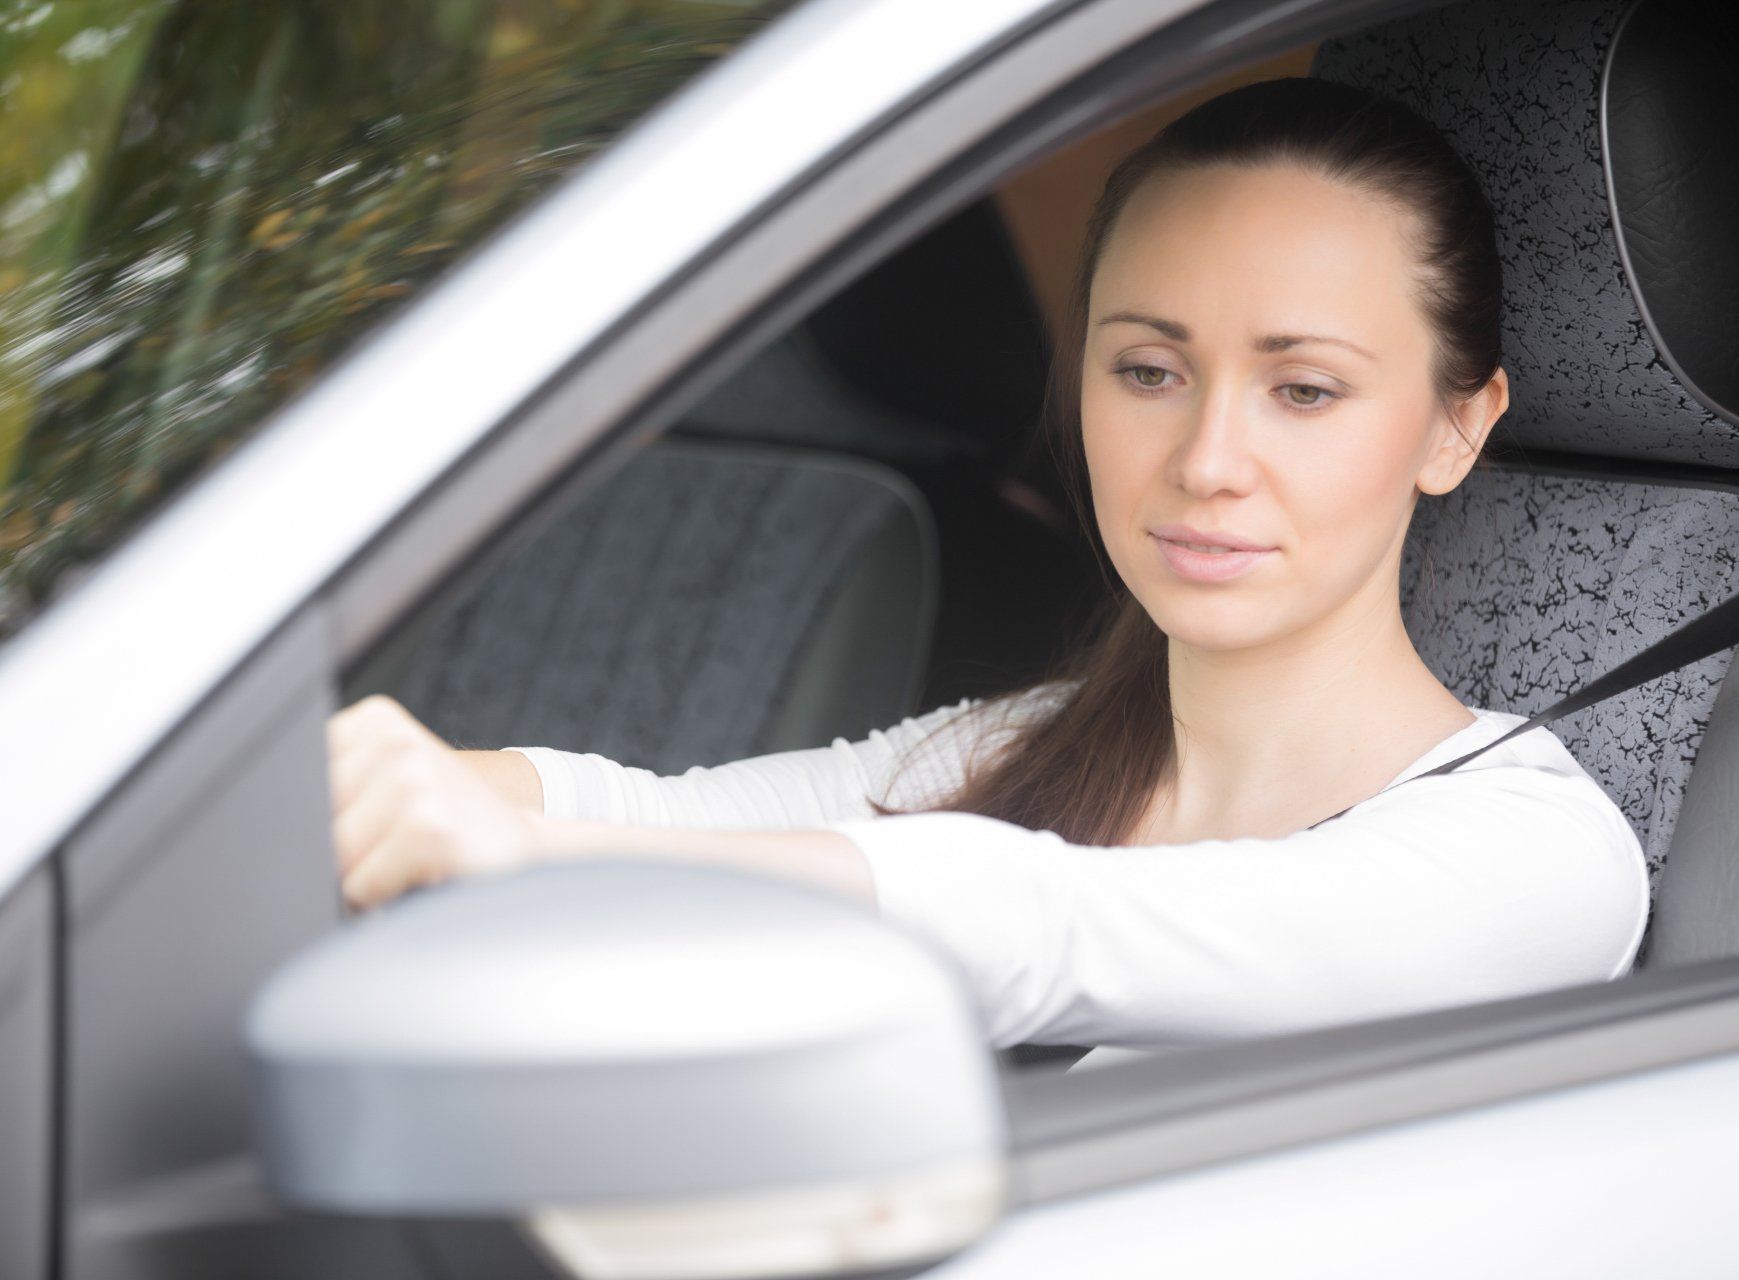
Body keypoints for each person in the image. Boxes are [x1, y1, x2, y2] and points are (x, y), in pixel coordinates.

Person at [327, 77, 1649, 1053]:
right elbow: (657, 814)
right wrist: (369, 782)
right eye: (1147, 370)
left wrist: (518, 863)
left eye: (1303, 391)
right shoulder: (1035, 746)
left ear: (1454, 426)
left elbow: (1038, 925)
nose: (1205, 457)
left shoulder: (1537, 857)